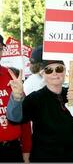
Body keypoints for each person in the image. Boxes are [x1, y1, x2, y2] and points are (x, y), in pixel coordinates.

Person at [7, 60, 73, 162]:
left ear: (64, 72)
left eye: (59, 69)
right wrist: (17, 97)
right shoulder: (36, 98)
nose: (54, 73)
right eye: (49, 70)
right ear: (43, 74)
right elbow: (14, 119)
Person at [0, 34, 32, 163]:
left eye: (0, 48)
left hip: (12, 151)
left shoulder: (11, 76)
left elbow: (24, 121)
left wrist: (26, 152)